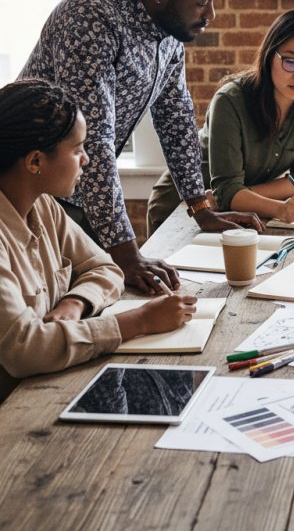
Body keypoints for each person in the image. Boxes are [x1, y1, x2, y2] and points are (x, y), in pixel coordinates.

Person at [19, 0, 261, 295]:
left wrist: (201, 207)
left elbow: (176, 116)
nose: (210, 14)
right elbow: (95, 143)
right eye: (202, 1)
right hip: (31, 192)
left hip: (78, 187)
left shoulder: (168, 28)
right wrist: (128, 255)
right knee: (45, 315)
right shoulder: (91, 17)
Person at [0, 80, 197, 404]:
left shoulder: (44, 206)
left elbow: (104, 267)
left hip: (49, 387)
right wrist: (140, 320)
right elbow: (24, 349)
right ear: (35, 162)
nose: (87, 160)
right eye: (77, 150)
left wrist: (73, 303)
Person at [147, 9, 294, 228]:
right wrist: (279, 208)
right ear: (270, 55)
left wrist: (230, 197)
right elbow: (227, 187)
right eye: (291, 61)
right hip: (183, 206)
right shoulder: (230, 100)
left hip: (230, 205)